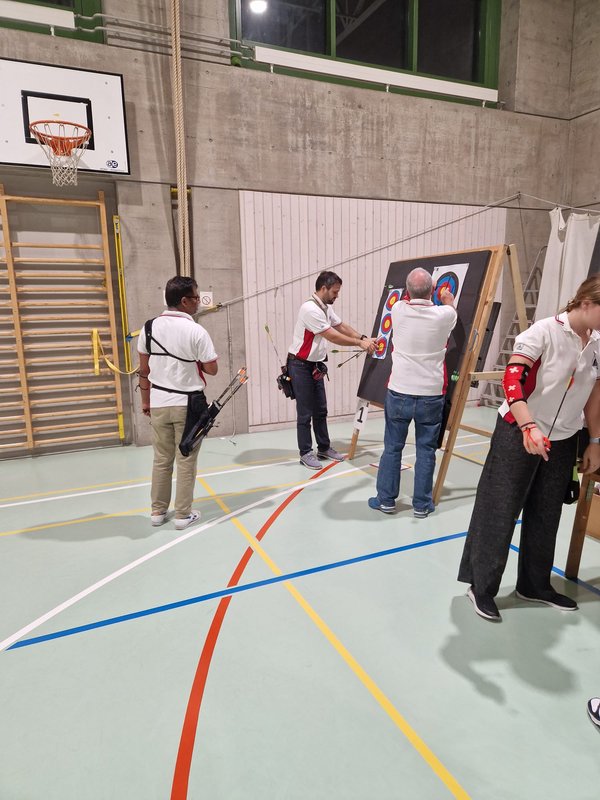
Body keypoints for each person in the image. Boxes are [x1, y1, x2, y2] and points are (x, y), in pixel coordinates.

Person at [458, 275, 600, 621]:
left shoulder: (597, 344)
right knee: (500, 508)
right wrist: (528, 426)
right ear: (586, 303)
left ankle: (534, 585)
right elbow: (512, 380)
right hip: (517, 431)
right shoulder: (542, 332)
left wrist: (595, 441)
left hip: (563, 439)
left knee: (547, 513)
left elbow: (594, 395)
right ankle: (481, 587)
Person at [368, 268, 457, 517]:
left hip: (399, 392)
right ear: (433, 291)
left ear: (407, 291)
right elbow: (450, 308)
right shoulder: (445, 314)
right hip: (431, 394)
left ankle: (386, 500)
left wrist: (428, 292)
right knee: (426, 450)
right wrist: (447, 298)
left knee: (392, 448)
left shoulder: (398, 309)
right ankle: (422, 505)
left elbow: (411, 298)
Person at [137, 276, 218, 530]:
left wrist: (145, 402)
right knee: (186, 459)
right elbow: (212, 369)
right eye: (196, 297)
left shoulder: (148, 328)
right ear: (184, 301)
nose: (198, 302)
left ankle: (157, 512)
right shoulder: (196, 330)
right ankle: (183, 515)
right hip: (188, 405)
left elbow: (143, 371)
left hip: (158, 403)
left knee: (161, 459)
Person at [287, 270, 376, 469]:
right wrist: (358, 343)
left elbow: (340, 326)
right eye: (335, 292)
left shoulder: (325, 307)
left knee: (321, 409)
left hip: (315, 366)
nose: (337, 295)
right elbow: (332, 335)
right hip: (300, 365)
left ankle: (324, 447)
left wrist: (362, 337)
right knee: (305, 412)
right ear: (323, 288)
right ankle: (305, 453)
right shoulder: (310, 309)